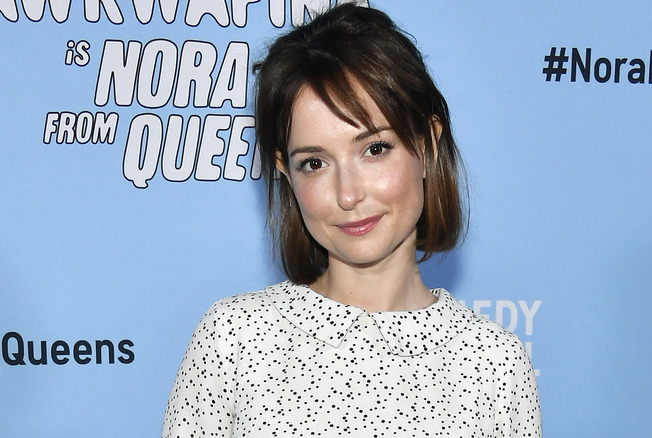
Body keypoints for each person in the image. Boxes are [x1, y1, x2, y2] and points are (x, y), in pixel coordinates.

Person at [162, 3, 541, 437]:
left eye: (375, 149)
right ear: (285, 171)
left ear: (427, 144)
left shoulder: (496, 365)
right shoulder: (236, 340)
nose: (348, 195)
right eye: (315, 163)